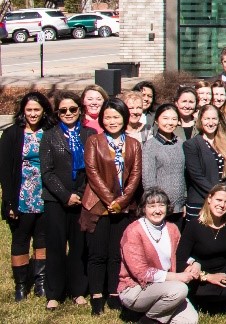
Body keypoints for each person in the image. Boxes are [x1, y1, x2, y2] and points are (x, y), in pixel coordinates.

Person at [84, 97, 143, 314]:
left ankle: (113, 292)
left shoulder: (133, 144)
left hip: (124, 206)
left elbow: (135, 175)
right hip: (99, 205)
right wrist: (111, 201)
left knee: (116, 252)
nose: (111, 121)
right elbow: (92, 172)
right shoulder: (94, 141)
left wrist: (121, 202)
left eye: (116, 117)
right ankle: (96, 295)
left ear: (124, 118)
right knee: (98, 253)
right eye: (107, 117)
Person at [40, 91, 92, 310]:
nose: (68, 113)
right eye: (63, 110)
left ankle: (78, 290)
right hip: (55, 200)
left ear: (79, 110)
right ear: (57, 112)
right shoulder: (49, 136)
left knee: (79, 246)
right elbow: (47, 171)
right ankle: (54, 292)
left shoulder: (89, 135)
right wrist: (64, 195)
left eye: (72, 109)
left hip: (81, 199)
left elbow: (91, 169)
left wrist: (78, 194)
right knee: (56, 247)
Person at [116, 189, 200, 324]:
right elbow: (141, 272)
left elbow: (179, 256)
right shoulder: (133, 231)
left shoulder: (172, 229)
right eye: (152, 206)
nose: (157, 210)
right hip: (136, 288)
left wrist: (194, 263)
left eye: (161, 205)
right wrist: (176, 277)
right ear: (143, 208)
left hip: (166, 287)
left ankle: (152, 315)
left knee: (189, 320)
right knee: (180, 289)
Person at [1, 91, 52, 302]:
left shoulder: (49, 131)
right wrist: (10, 201)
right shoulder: (12, 134)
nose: (33, 114)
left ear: (43, 111)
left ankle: (40, 281)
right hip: (21, 194)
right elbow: (4, 170)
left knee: (42, 238)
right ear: (23, 110)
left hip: (45, 193)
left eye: (37, 110)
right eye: (29, 110)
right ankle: (21, 284)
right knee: (20, 239)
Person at [177, 183, 226, 313]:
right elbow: (179, 262)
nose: (222, 205)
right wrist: (207, 276)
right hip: (200, 276)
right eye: (218, 200)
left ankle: (225, 299)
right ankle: (203, 304)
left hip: (224, 268)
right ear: (209, 199)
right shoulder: (193, 226)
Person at [182, 105, 226, 221]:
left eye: (214, 119)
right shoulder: (191, 145)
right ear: (200, 120)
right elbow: (196, 176)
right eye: (207, 119)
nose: (210, 123)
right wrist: (218, 194)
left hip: (223, 203)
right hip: (200, 201)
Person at [142, 104, 187, 221]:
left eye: (174, 119)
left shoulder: (180, 143)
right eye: (165, 118)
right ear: (157, 120)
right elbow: (148, 181)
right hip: (159, 208)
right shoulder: (150, 145)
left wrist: (184, 202)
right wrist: (156, 205)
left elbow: (184, 174)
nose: (170, 122)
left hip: (179, 207)